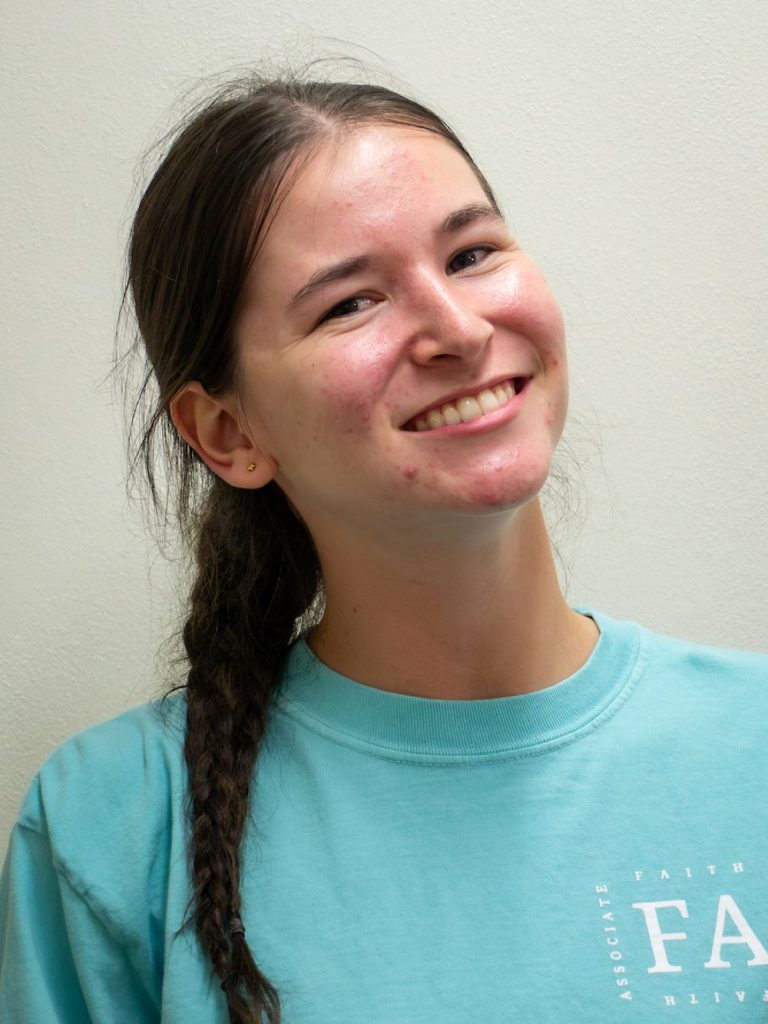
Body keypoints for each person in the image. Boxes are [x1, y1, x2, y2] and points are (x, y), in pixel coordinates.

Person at [1, 74, 767, 1024]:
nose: (457, 328)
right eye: (350, 304)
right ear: (228, 434)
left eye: (473, 251)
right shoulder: (109, 826)